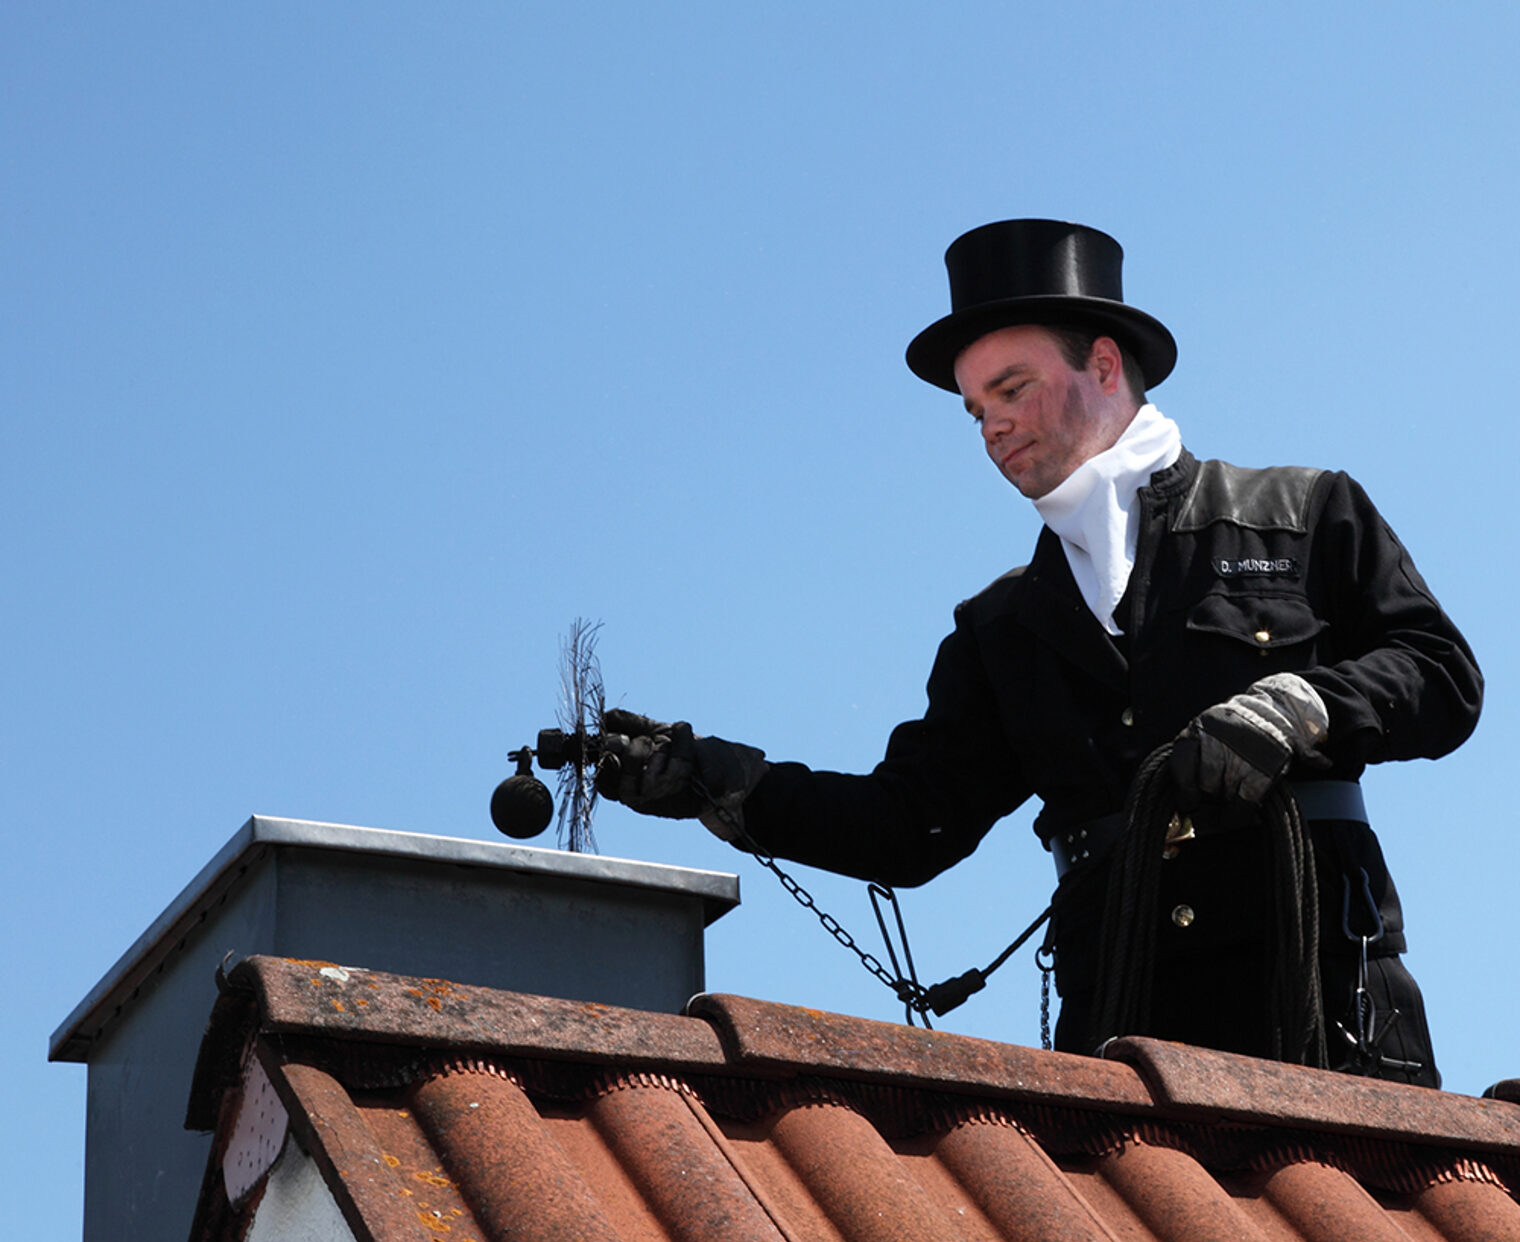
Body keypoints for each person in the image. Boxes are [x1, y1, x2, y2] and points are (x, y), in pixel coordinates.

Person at [597, 219, 1482, 1085]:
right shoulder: (1000, 628)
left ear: (1103, 365)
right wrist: (719, 780)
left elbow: (1444, 676)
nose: (991, 427)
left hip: (1328, 1023)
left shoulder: (1304, 512)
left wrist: (1306, 708)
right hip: (1122, 1049)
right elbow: (910, 826)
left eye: (1012, 390)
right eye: (976, 409)